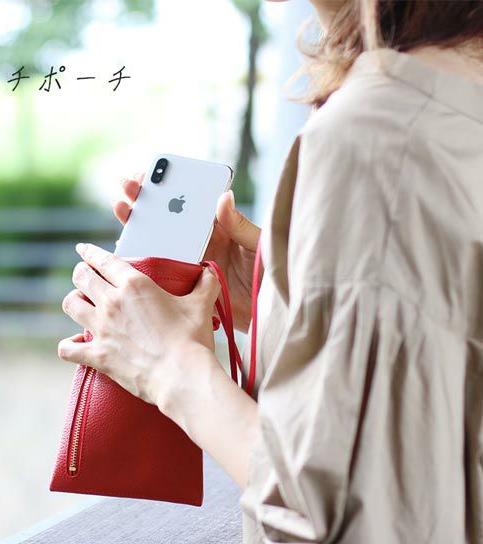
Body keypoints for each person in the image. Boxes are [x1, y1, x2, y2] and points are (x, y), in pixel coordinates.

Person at [57, 1, 483, 542]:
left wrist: (169, 366)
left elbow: (349, 522)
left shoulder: (376, 131)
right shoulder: (453, 89)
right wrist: (283, 291)